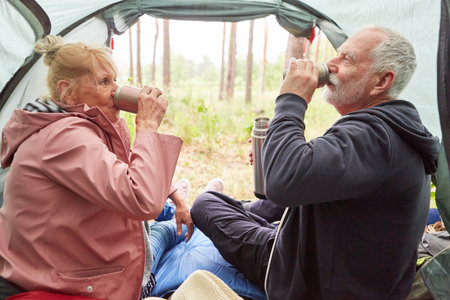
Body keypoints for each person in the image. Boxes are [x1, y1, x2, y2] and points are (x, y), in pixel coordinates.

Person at [191, 26, 440, 299]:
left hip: (308, 280)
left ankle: (224, 199)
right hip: (335, 262)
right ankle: (244, 207)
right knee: (262, 196)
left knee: (204, 203)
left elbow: (284, 182)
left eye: (347, 59)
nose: (330, 65)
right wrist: (278, 158)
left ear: (382, 81)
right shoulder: (389, 130)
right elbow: (320, 174)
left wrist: (292, 98)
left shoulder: (375, 137)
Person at [0, 35, 194, 300]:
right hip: (62, 275)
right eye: (104, 82)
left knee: (153, 230)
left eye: (115, 80)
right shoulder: (63, 137)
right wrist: (147, 126)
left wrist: (175, 195)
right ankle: (171, 224)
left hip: (80, 251)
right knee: (157, 233)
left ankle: (172, 210)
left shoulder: (80, 126)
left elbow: (122, 165)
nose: (116, 90)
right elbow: (141, 199)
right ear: (67, 90)